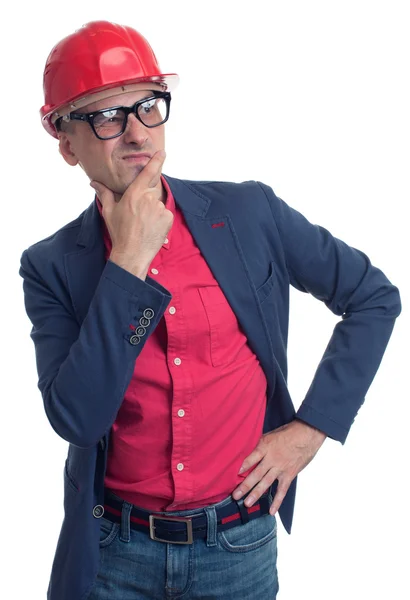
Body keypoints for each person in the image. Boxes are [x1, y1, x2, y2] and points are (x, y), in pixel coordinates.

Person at [19, 20, 401, 600]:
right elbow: (78, 418)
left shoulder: (251, 213)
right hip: (114, 558)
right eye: (105, 115)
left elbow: (373, 296)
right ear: (67, 143)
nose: (134, 132)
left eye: (148, 106)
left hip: (237, 548)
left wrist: (312, 428)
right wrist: (129, 261)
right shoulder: (51, 266)